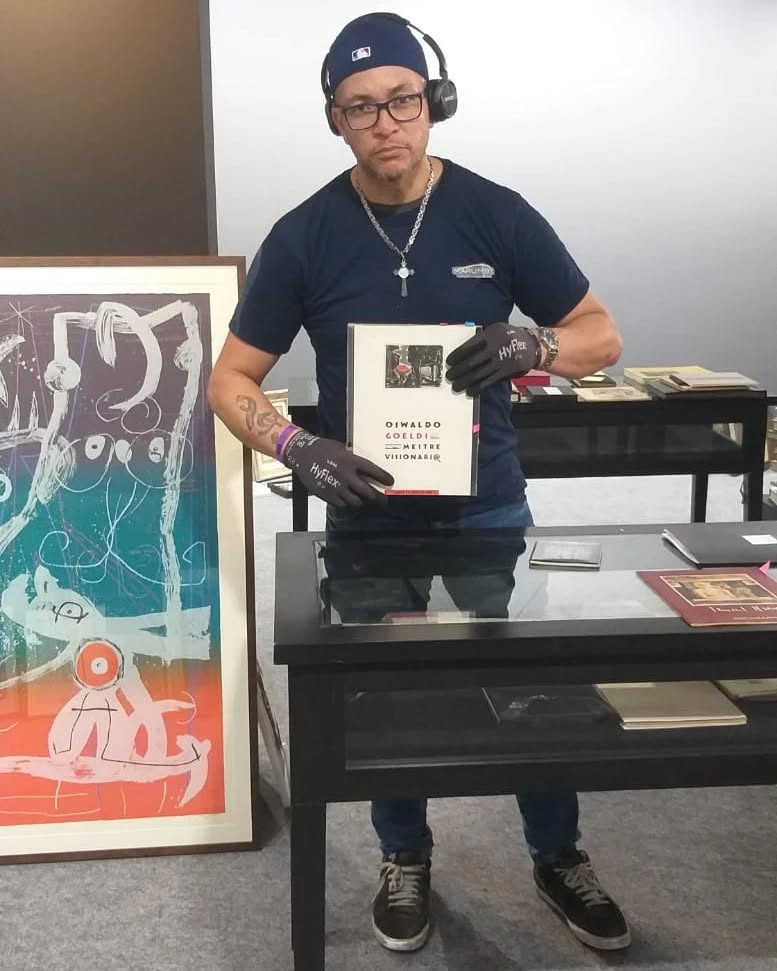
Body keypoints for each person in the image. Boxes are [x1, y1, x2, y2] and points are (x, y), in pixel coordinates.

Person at [207, 10, 630, 956]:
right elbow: (230, 380)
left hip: (488, 504)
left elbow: (600, 332)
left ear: (434, 101)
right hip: (367, 511)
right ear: (335, 120)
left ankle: (558, 854)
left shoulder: (496, 213)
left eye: (401, 99)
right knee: (382, 694)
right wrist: (295, 446)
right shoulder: (305, 235)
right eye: (359, 107)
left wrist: (535, 344)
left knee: (523, 686)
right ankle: (403, 855)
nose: (383, 122)